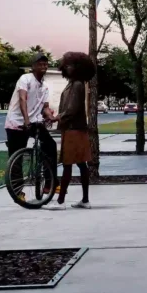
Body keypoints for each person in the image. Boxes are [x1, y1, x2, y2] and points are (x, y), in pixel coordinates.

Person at [5, 54, 57, 189]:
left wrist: (51, 117)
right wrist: (26, 120)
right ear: (33, 66)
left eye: (45, 64)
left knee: (50, 146)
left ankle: (50, 184)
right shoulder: (25, 79)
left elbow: (45, 107)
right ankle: (18, 191)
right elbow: (23, 99)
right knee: (17, 159)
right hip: (16, 123)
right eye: (40, 64)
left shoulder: (45, 86)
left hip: (34, 122)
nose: (43, 66)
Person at [55, 52, 95, 208]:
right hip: (73, 129)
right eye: (67, 65)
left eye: (71, 65)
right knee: (80, 164)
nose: (68, 67)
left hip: (74, 130)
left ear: (79, 68)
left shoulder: (77, 84)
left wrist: (57, 117)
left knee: (68, 164)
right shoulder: (72, 83)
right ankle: (85, 200)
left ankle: (60, 202)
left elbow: (72, 109)